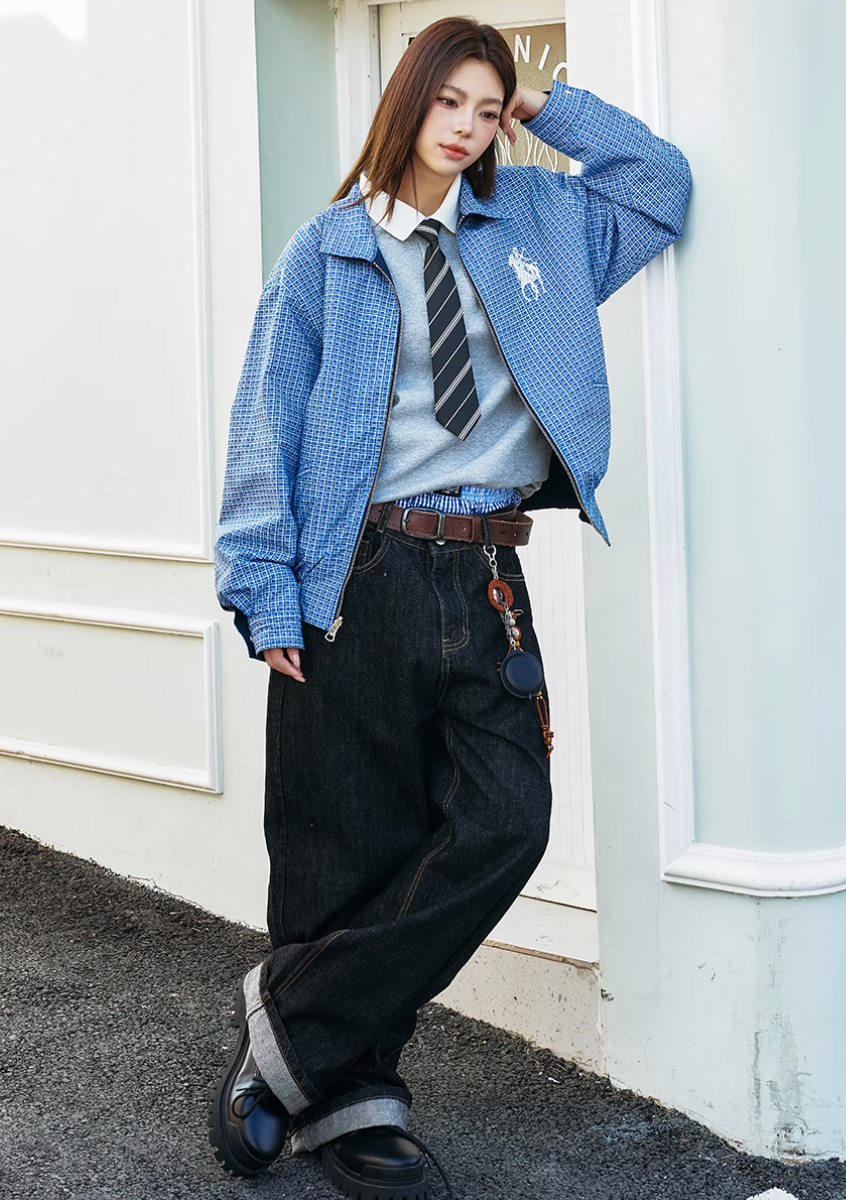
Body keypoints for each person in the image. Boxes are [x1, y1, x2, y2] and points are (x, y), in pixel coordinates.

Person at [210, 16, 690, 1198]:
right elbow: (265, 422)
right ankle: (354, 1101)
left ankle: (284, 1036)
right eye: (451, 102)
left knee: (504, 823)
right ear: (407, 100)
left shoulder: (543, 225)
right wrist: (263, 589)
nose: (468, 126)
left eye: (487, 107)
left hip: (485, 576)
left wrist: (544, 107)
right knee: (344, 845)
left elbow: (659, 186)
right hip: (358, 569)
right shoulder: (326, 252)